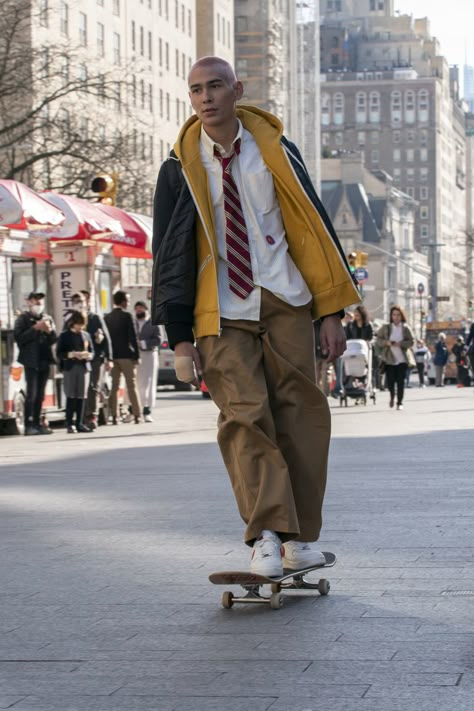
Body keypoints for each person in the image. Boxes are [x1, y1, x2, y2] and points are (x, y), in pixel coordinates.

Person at [151, 56, 360, 577]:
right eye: (196, 89)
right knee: (244, 416)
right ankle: (265, 535)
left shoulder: (276, 152)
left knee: (303, 415)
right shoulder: (178, 166)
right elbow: (169, 253)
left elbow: (312, 227)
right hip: (218, 309)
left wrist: (330, 309)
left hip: (284, 297)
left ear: (236, 90)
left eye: (215, 86)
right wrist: (179, 337)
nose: (205, 97)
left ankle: (299, 538)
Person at [14, 291, 57, 435]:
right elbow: (19, 338)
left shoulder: (47, 318)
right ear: (29, 302)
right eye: (35, 301)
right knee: (31, 393)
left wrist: (49, 330)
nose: (38, 304)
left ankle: (38, 423)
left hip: (44, 359)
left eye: (40, 301)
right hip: (30, 360)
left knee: (40, 394)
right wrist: (35, 328)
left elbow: (54, 339)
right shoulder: (23, 319)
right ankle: (29, 423)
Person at [104, 290, 142, 425]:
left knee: (114, 387)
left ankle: (114, 416)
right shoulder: (127, 316)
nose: (129, 302)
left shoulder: (107, 317)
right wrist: (137, 355)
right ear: (123, 301)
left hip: (113, 357)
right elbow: (133, 337)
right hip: (127, 356)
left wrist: (107, 357)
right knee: (131, 386)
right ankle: (137, 415)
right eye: (128, 300)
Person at [80, 290, 113, 429]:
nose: (80, 304)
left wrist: (109, 359)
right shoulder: (72, 319)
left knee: (93, 387)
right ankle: (80, 417)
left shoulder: (95, 318)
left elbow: (107, 338)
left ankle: (91, 416)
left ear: (87, 302)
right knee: (81, 388)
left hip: (96, 358)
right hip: (79, 359)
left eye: (83, 301)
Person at [56, 311, 94, 433]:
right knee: (71, 395)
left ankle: (80, 423)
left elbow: (92, 351)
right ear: (73, 323)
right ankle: (69, 423)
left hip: (84, 367)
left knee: (82, 396)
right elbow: (59, 353)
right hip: (70, 367)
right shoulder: (64, 336)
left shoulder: (86, 335)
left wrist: (89, 355)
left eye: (82, 325)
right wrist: (71, 354)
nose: (80, 327)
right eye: (78, 324)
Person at [376, 305, 415, 410]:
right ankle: (392, 396)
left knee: (400, 381)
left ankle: (400, 402)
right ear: (391, 316)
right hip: (389, 359)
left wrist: (401, 344)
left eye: (398, 315)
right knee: (391, 381)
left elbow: (412, 341)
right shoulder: (386, 328)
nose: (396, 317)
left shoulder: (405, 328)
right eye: (394, 315)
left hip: (402, 359)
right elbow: (378, 339)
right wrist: (386, 342)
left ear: (401, 316)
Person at [132, 301, 161, 422]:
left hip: (149, 355)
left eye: (141, 308)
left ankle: (147, 411)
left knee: (148, 383)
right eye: (137, 308)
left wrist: (143, 343)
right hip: (134, 356)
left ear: (145, 309)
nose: (139, 311)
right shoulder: (132, 322)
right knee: (134, 383)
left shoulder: (153, 322)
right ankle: (133, 410)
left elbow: (158, 340)